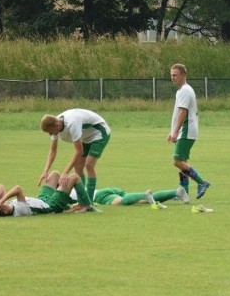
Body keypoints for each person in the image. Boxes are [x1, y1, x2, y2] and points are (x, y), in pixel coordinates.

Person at [40, 108, 111, 202]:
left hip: (99, 133)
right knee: (78, 167)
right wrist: (45, 170)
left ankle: (89, 203)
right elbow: (53, 150)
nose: (50, 134)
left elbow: (79, 152)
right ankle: (81, 202)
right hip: (86, 137)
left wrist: (65, 172)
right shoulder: (54, 124)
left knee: (89, 165)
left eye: (50, 132)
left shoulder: (72, 123)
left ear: (56, 125)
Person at [168, 63, 210, 199]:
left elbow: (183, 112)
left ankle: (202, 182)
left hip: (186, 130)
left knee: (177, 161)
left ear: (183, 75)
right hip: (182, 131)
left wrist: (175, 131)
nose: (172, 78)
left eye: (175, 75)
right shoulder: (180, 91)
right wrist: (173, 130)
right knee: (183, 161)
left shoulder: (185, 90)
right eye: (171, 75)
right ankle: (183, 192)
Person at [0, 171, 96, 216]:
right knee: (74, 177)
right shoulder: (19, 210)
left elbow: (0, 186)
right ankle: (87, 205)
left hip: (42, 200)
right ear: (4, 210)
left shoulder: (7, 205)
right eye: (1, 205)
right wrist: (0, 201)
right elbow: (17, 189)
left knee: (55, 174)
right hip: (50, 206)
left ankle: (66, 202)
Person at [82, 185, 190, 209]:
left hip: (100, 195)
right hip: (107, 190)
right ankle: (176, 192)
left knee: (120, 202)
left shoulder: (67, 193)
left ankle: (145, 195)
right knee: (145, 201)